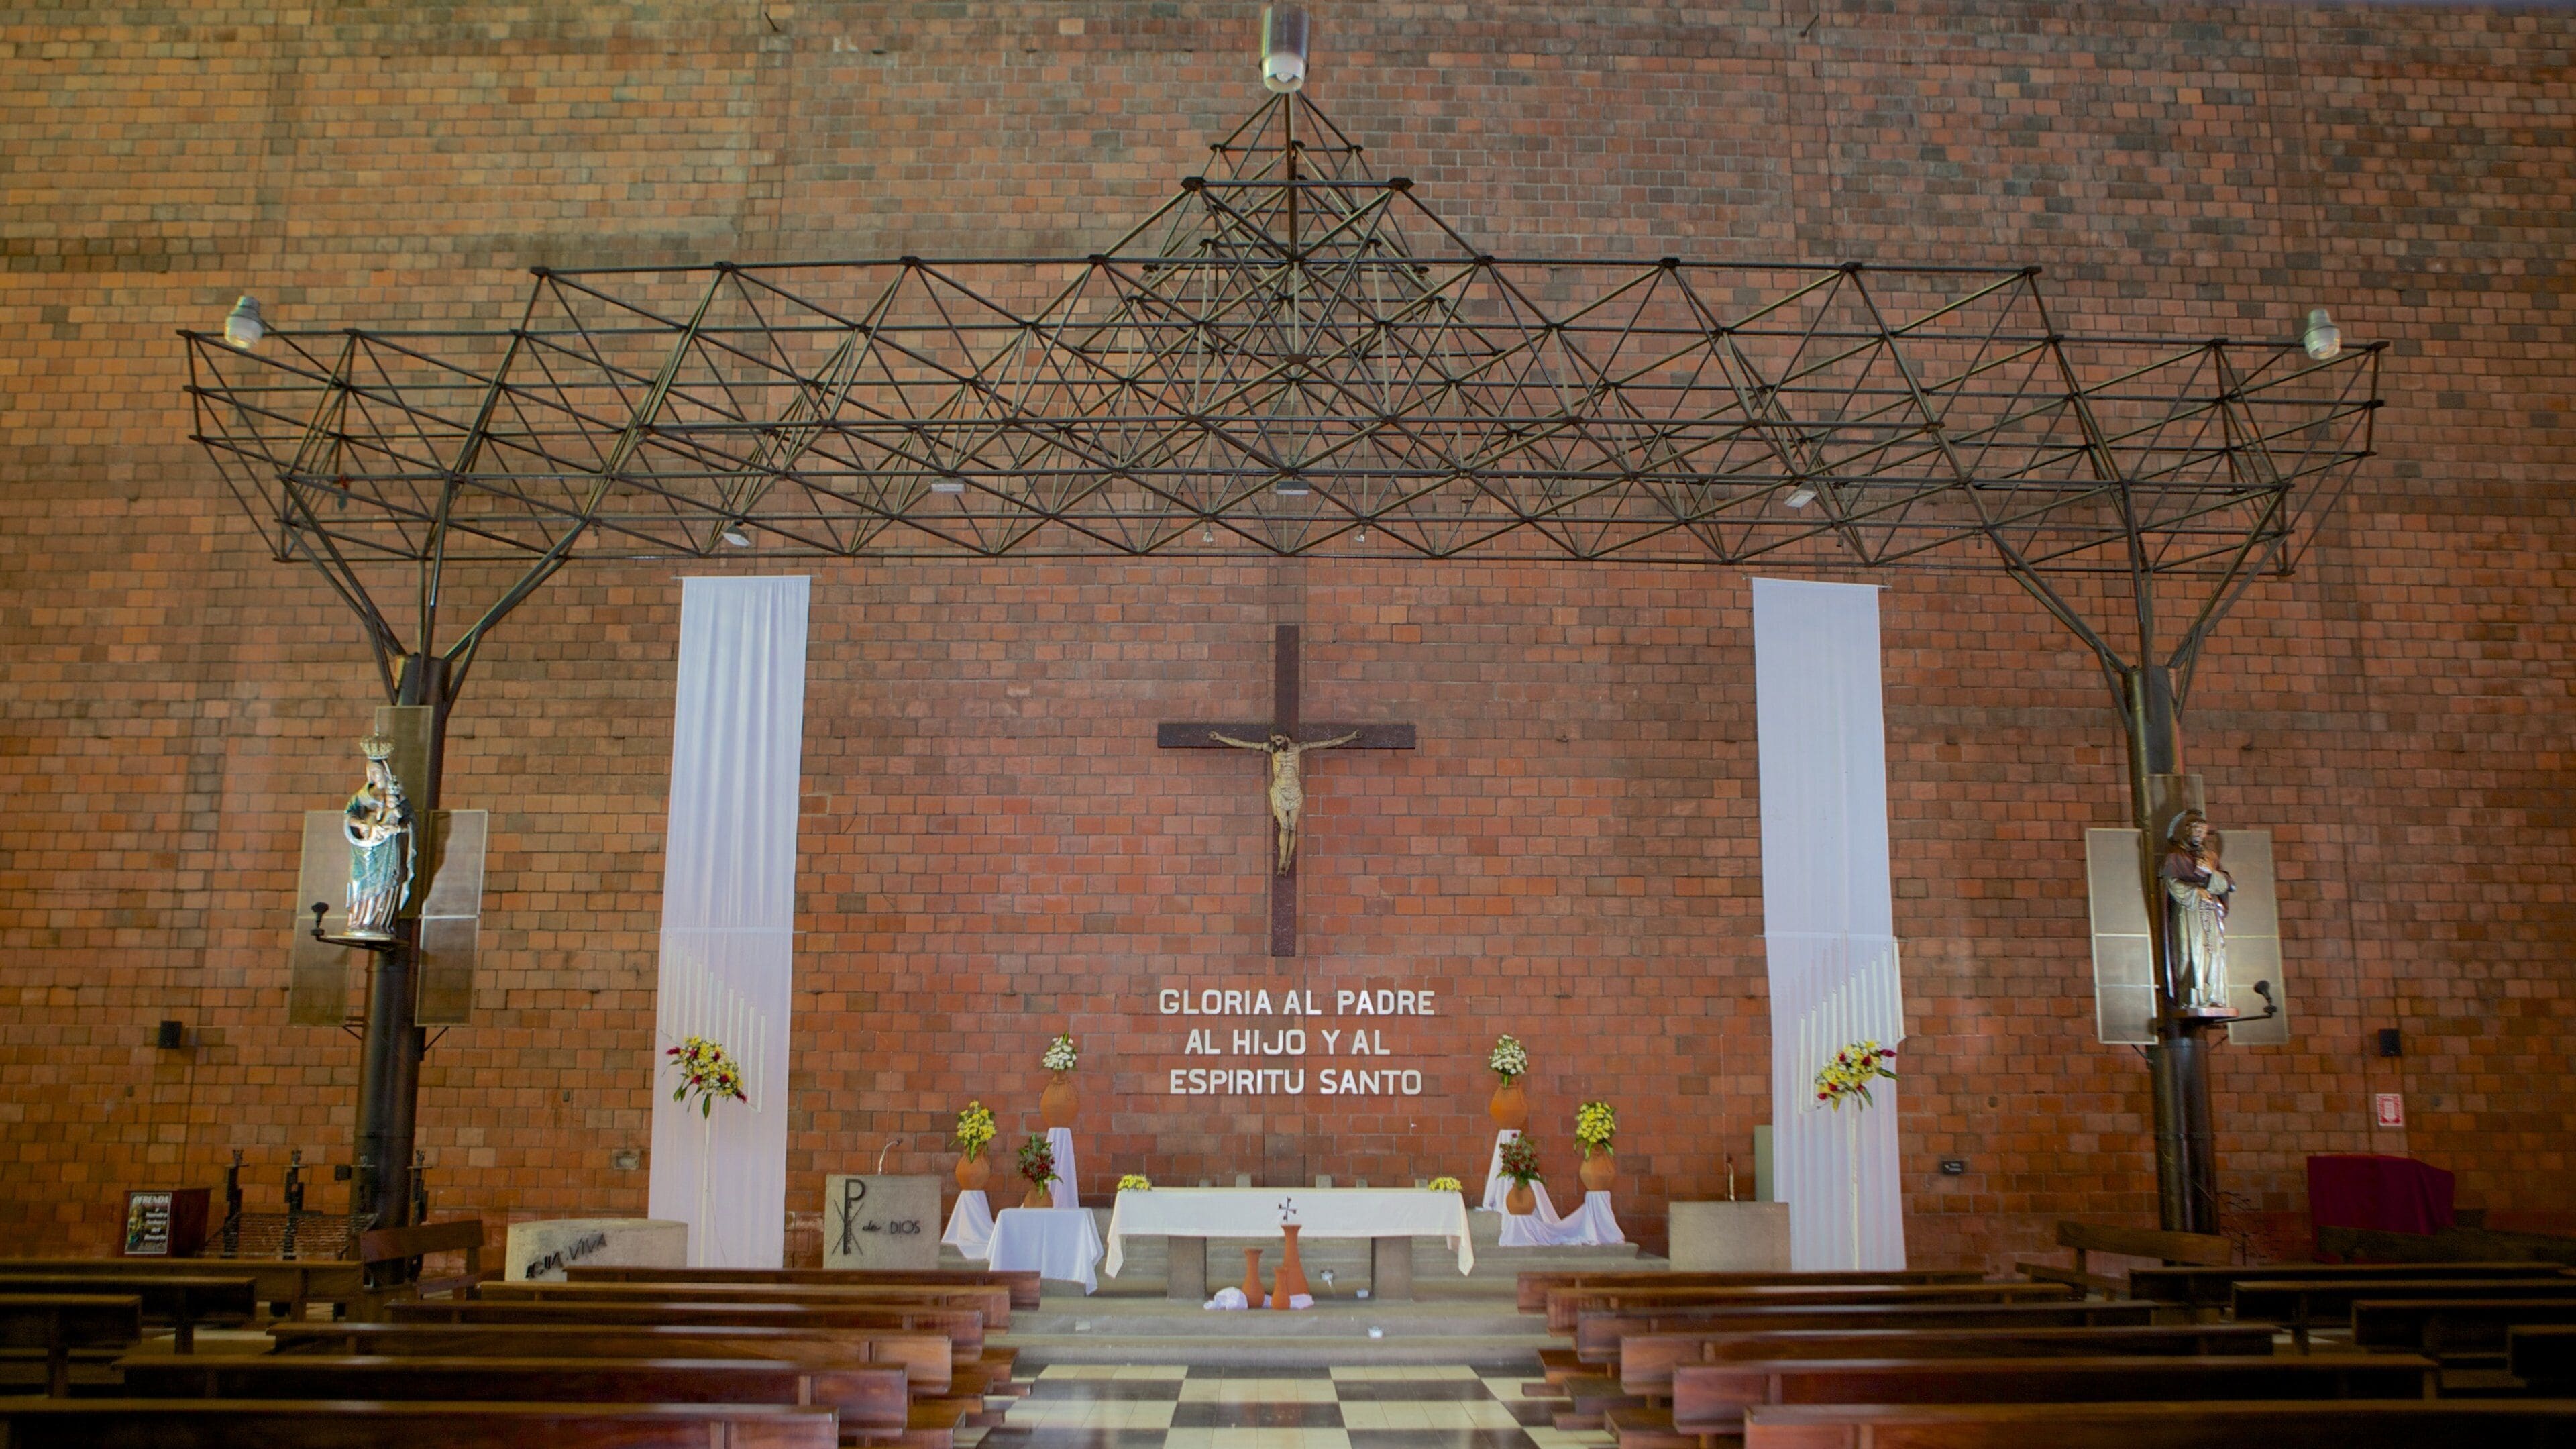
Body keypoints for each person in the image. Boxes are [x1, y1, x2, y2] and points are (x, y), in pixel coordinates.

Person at [1209, 728, 1359, 873]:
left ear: (1287, 736)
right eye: (1275, 741)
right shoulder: (1270, 749)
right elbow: (1244, 743)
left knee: (1293, 827)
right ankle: (1282, 861)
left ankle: (1287, 861)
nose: (1277, 743)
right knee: (1285, 827)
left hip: (1294, 792)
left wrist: (1351, 737)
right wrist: (1220, 738)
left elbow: (1327, 743)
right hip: (1279, 791)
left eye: (1279, 739)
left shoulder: (1299, 748)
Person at [2159, 810, 2233, 1010]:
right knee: (2188, 951)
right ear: (2186, 832)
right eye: (2196, 831)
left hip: (2210, 910)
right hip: (2188, 909)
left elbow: (2227, 884)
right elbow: (2170, 882)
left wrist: (2211, 874)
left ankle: (2212, 996)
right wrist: (2195, 890)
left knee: (2213, 952)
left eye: (2203, 832)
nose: (2199, 835)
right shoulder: (2176, 857)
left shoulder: (2211, 857)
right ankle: (2190, 997)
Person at [344, 736, 414, 940]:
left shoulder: (396, 796)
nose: (373, 775)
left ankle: (380, 922)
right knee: (360, 880)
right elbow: (349, 815)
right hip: (365, 846)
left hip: (387, 846)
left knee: (386, 882)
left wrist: (397, 829)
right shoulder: (362, 795)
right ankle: (360, 920)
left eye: (376, 771)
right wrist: (360, 824)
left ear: (385, 771)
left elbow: (408, 821)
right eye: (370, 772)